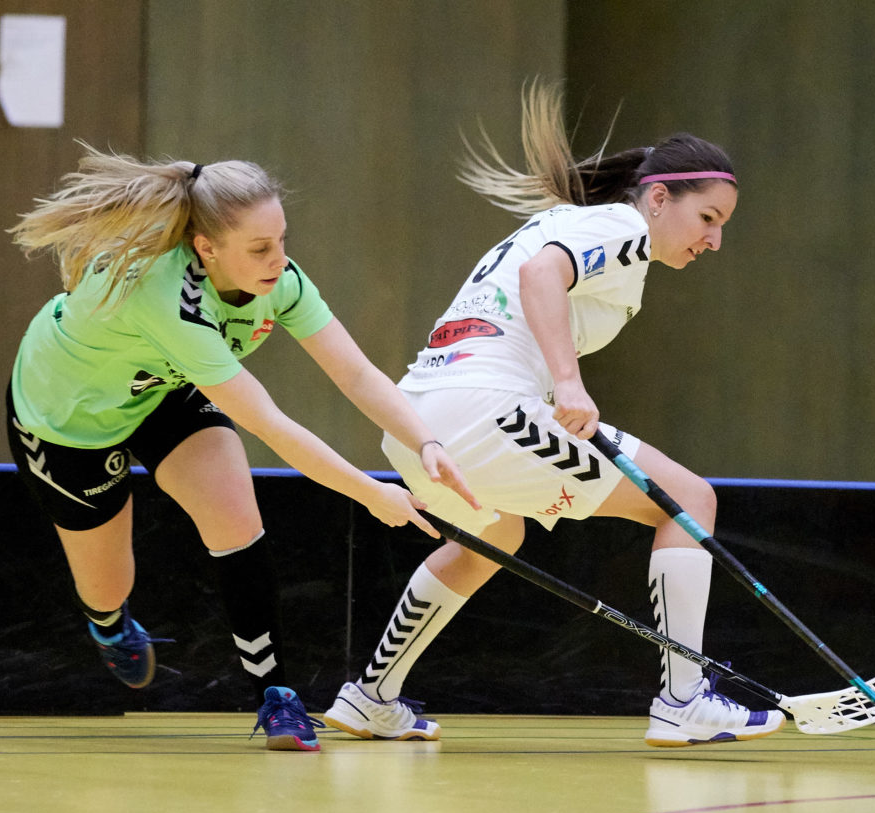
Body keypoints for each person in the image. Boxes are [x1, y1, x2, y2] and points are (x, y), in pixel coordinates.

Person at [324, 81, 786, 746]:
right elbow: (544, 275)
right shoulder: (623, 226)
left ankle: (371, 695)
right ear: (659, 197)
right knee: (687, 498)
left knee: (497, 535)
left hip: (417, 421)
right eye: (708, 218)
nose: (713, 240)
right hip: (485, 414)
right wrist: (568, 383)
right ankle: (684, 698)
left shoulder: (577, 224)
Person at [5, 144, 479, 751]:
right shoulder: (163, 296)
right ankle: (106, 625)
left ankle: (275, 696)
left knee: (236, 515)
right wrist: (369, 493)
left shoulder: (281, 281)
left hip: (163, 390)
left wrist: (427, 441)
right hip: (66, 418)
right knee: (106, 587)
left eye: (281, 240)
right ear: (206, 248)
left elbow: (356, 375)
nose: (278, 261)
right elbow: (270, 424)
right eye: (259, 249)